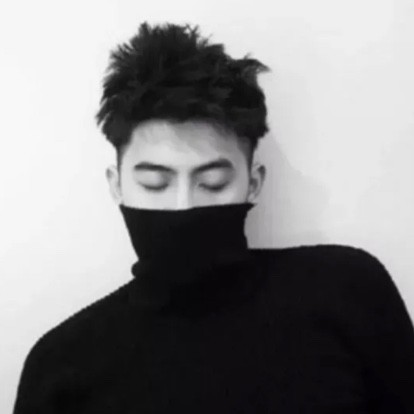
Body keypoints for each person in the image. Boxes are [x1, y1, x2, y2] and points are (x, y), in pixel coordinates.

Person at [12, 21, 414, 413]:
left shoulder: (347, 292)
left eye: (213, 183)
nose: (183, 207)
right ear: (117, 186)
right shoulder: (61, 366)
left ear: (253, 184)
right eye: (155, 184)